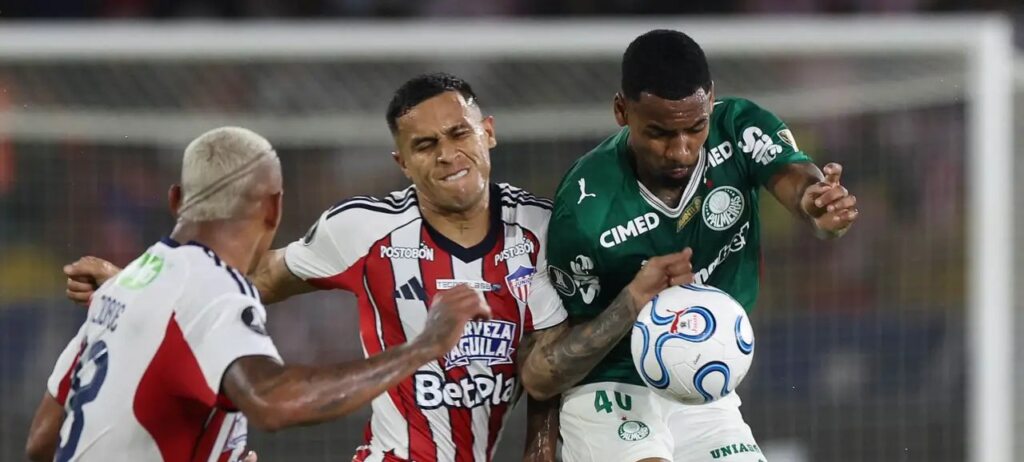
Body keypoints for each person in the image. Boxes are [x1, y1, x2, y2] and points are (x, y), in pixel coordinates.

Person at [61, 74, 694, 462]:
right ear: (403, 162)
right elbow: (258, 278)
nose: (447, 155)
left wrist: (540, 442)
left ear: (488, 132)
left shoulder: (542, 227)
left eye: (459, 134)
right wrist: (139, 286)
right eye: (426, 145)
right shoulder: (361, 228)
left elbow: (551, 356)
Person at [26, 127, 491, 462]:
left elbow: (42, 442)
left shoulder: (126, 288)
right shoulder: (211, 285)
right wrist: (423, 346)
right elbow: (273, 403)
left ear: (176, 200)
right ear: (273, 208)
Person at [538, 30, 860, 462]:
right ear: (621, 110)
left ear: (711, 99)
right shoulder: (584, 207)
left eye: (695, 128)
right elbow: (550, 360)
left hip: (701, 381)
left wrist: (818, 209)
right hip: (610, 388)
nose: (681, 151)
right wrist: (631, 302)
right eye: (659, 133)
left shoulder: (739, 128)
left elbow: (800, 185)